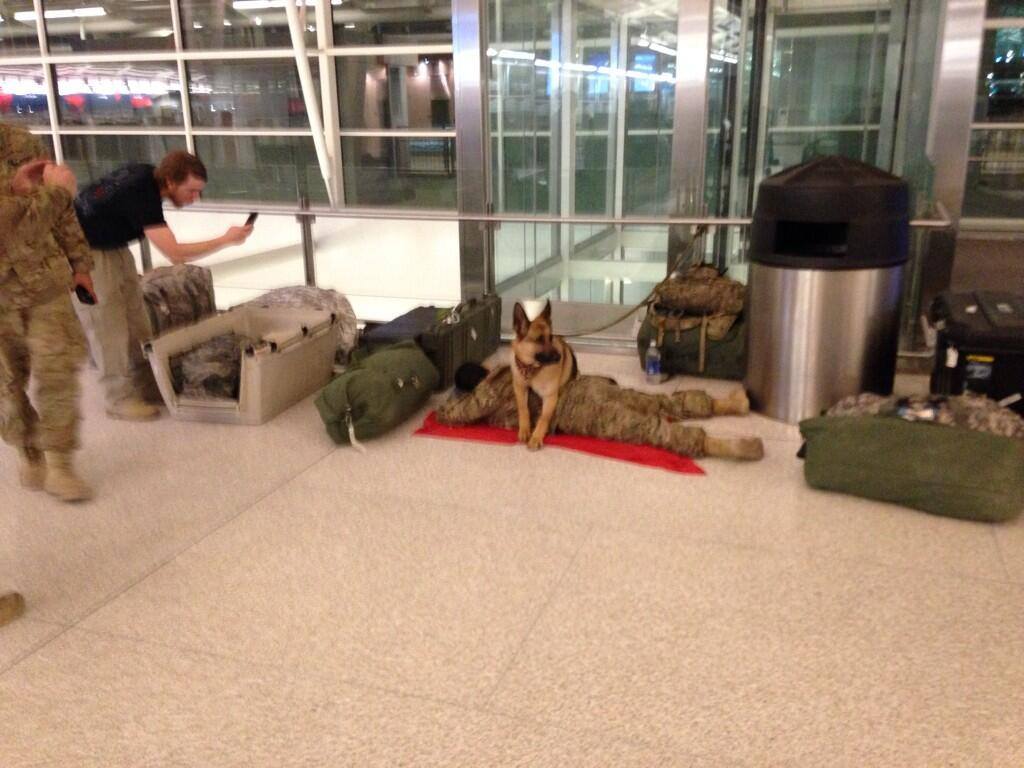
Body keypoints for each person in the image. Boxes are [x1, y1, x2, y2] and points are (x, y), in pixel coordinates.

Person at [71, 152, 253, 420]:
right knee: (107, 327)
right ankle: (118, 398)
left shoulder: (146, 178)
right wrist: (225, 239)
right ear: (170, 180)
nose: (194, 198)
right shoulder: (141, 191)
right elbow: (175, 254)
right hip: (84, 254)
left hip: (112, 246)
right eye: (190, 191)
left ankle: (148, 385)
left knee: (137, 321)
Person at [0, 123, 96, 501]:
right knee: (6, 384)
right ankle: (29, 450)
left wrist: (80, 263)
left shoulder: (17, 140)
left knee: (58, 369)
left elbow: (60, 213)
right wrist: (53, 194)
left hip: (44, 283)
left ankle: (60, 463)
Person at [437, 364, 764, 461]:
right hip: (587, 386)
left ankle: (713, 446)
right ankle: (726, 404)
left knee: (645, 429)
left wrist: (444, 406)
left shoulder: (489, 391)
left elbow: (457, 414)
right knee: (655, 403)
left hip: (576, 412)